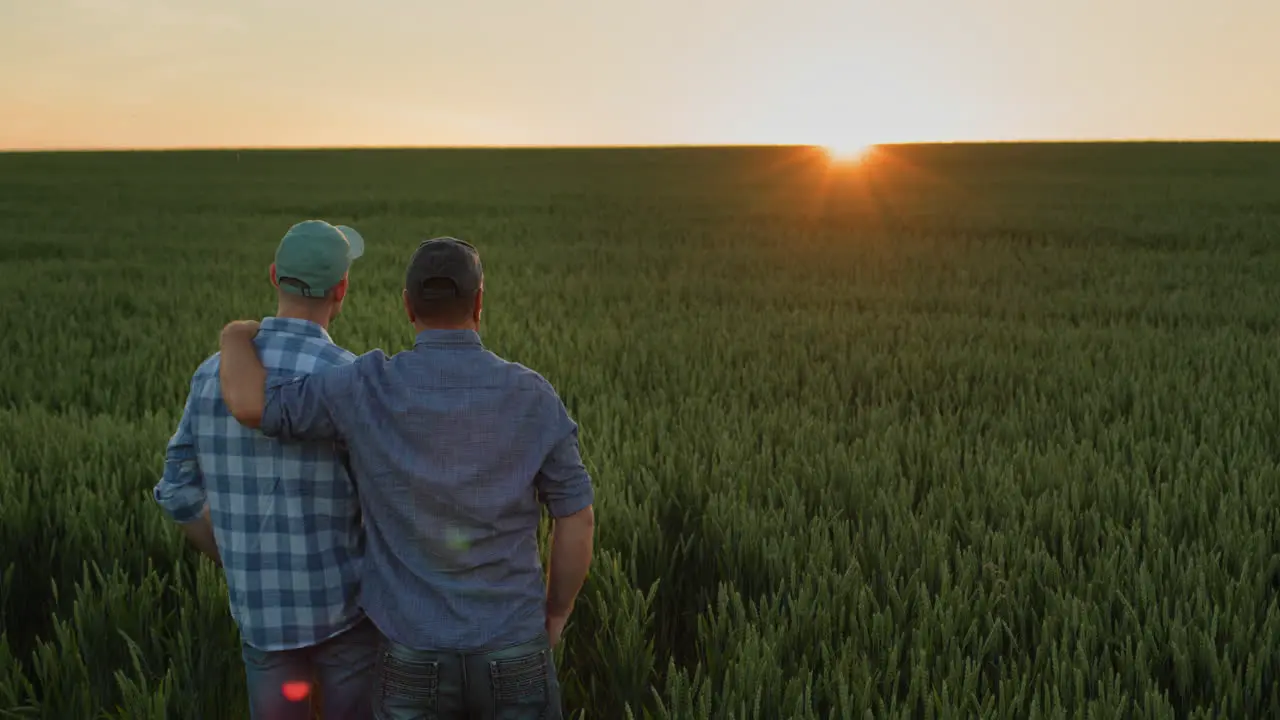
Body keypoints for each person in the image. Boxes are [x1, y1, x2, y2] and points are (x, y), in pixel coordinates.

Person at [216, 237, 595, 720]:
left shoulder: (366, 385)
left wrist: (234, 336)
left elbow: (252, 406)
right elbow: (576, 518)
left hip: (410, 658)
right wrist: (557, 612)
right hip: (513, 646)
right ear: (479, 302)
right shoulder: (533, 395)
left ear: (407, 306)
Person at [152, 219, 379, 720]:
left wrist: (233, 556)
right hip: (347, 616)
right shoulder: (352, 379)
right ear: (342, 289)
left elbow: (177, 491)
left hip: (262, 620)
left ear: (274, 276)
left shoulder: (212, 375)